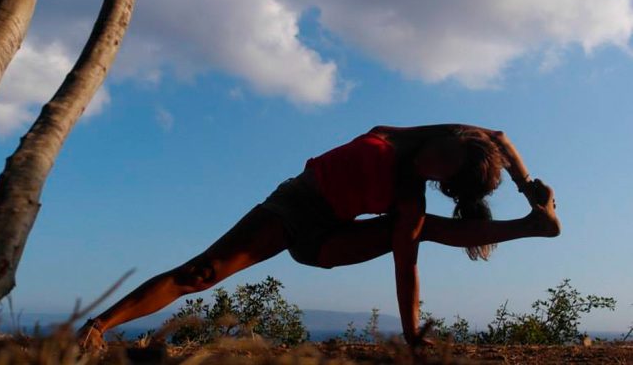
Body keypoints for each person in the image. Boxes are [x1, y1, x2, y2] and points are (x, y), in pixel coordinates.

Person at [77, 124, 560, 349]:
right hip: (292, 207)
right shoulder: (420, 134)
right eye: (447, 150)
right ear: (452, 138)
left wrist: (413, 335)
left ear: (445, 181)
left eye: (445, 168)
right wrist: (525, 183)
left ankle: (531, 227)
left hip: (326, 242)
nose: (436, 158)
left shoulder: (411, 198)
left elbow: (404, 266)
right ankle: (97, 327)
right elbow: (498, 136)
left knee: (415, 232)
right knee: (200, 273)